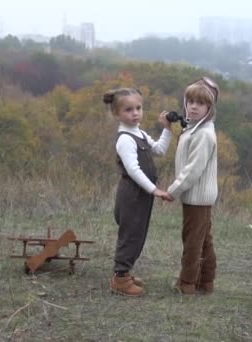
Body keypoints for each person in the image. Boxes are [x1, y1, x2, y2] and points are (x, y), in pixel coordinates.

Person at [104, 87, 173, 297]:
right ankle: (120, 279)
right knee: (130, 234)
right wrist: (154, 190)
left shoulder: (140, 133)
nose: (135, 113)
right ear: (117, 114)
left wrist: (167, 129)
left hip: (141, 195)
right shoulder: (125, 138)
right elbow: (133, 170)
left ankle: (125, 273)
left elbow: (160, 150)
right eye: (128, 110)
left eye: (138, 108)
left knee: (138, 233)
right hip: (131, 195)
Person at [167, 77, 220, 295]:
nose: (194, 107)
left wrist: (173, 191)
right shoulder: (194, 129)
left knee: (192, 241)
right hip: (196, 196)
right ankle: (206, 281)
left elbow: (192, 170)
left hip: (196, 197)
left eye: (200, 103)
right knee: (203, 239)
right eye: (190, 102)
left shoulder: (204, 134)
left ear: (209, 108)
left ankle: (187, 283)